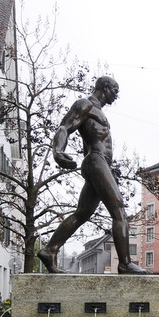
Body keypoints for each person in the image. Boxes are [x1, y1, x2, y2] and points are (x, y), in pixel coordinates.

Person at [37, 76, 149, 274]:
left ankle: (49, 249)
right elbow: (65, 126)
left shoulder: (98, 112)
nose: (117, 95)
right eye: (115, 89)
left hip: (101, 163)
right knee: (119, 211)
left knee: (82, 213)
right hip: (95, 161)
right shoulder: (85, 104)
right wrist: (58, 151)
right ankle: (124, 263)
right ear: (105, 88)